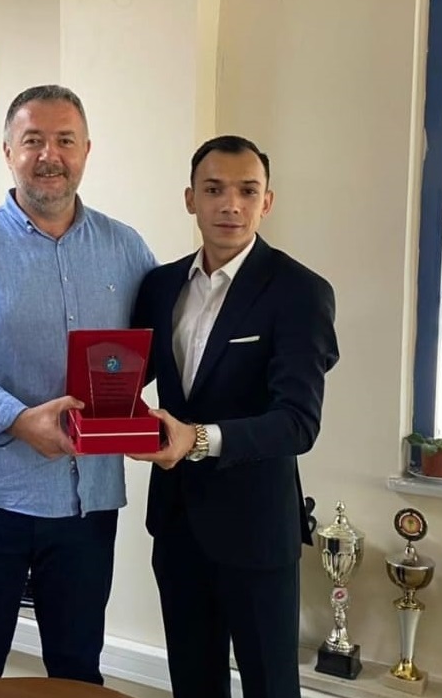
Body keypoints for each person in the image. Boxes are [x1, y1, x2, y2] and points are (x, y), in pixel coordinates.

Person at [0, 85, 157, 683]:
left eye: (65, 141)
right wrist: (19, 419)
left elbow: (154, 351)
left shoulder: (127, 249)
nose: (50, 155)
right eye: (33, 141)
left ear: (86, 151)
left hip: (85, 505)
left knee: (77, 672)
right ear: (8, 152)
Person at [130, 135, 339, 698]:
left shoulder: (300, 292)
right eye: (214, 190)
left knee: (271, 687)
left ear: (266, 202)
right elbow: (127, 373)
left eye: (247, 191)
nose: (230, 205)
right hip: (176, 524)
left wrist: (198, 439)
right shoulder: (160, 286)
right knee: (193, 684)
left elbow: (298, 422)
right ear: (190, 199)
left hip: (257, 530)